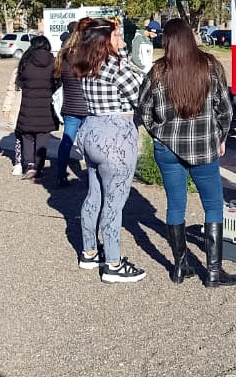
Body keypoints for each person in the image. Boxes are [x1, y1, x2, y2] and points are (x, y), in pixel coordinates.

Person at [136, 18, 236, 288]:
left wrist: (159, 132)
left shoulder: (157, 72)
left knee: (175, 205)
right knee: (214, 205)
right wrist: (221, 137)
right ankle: (214, 271)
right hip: (204, 146)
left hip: (168, 148)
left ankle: (180, 267)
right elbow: (225, 109)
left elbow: (144, 110)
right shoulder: (210, 67)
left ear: (168, 42)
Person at [73, 19, 146, 283]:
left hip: (91, 129)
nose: (123, 42)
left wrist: (121, 50)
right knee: (114, 204)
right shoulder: (115, 69)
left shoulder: (86, 65)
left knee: (93, 196)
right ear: (106, 41)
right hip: (116, 134)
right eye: (118, 37)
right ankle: (113, 264)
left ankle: (89, 252)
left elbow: (122, 60)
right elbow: (141, 96)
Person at [53, 18, 93, 188]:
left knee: (67, 140)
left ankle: (61, 174)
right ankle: (92, 178)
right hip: (87, 104)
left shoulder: (64, 54)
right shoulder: (89, 55)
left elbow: (57, 78)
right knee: (90, 144)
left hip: (70, 104)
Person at [14, 35, 58, 181]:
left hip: (28, 105)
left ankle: (30, 165)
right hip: (46, 106)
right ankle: (39, 167)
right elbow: (57, 82)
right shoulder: (53, 61)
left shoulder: (26, 61)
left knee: (27, 137)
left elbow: (19, 82)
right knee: (42, 137)